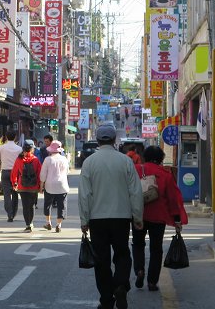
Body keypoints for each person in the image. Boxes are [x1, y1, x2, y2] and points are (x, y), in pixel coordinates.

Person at [79, 125, 143, 309]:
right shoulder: (125, 161)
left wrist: (84, 220)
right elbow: (135, 191)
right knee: (122, 253)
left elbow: (85, 194)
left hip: (97, 219)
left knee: (101, 260)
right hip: (121, 217)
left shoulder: (89, 162)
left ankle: (107, 300)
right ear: (115, 140)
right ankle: (121, 284)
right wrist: (138, 216)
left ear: (98, 141)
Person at [131, 145, 188, 292]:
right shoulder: (165, 174)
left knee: (138, 244)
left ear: (145, 156)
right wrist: (177, 219)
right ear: (161, 158)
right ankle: (152, 282)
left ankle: (139, 270)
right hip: (158, 216)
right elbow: (173, 200)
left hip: (138, 214)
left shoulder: (136, 170)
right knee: (156, 249)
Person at [10, 139, 42, 232]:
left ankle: (28, 224)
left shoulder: (19, 159)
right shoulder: (35, 160)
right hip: (33, 187)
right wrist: (40, 185)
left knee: (25, 206)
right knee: (31, 205)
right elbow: (39, 174)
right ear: (32, 149)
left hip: (22, 186)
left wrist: (14, 183)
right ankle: (31, 223)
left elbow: (14, 173)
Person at [40, 140, 70, 232]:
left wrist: (41, 185)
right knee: (62, 205)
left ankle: (48, 222)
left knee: (47, 204)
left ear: (50, 150)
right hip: (62, 185)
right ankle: (58, 224)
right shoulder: (64, 159)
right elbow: (67, 172)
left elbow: (43, 174)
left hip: (49, 185)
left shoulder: (47, 159)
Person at [0, 130, 22, 222]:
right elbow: (22, 161)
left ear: (6, 137)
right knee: (15, 193)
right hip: (16, 173)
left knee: (6, 194)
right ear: (15, 137)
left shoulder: (2, 148)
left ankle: (9, 213)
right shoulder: (19, 149)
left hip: (5, 172)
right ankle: (13, 213)